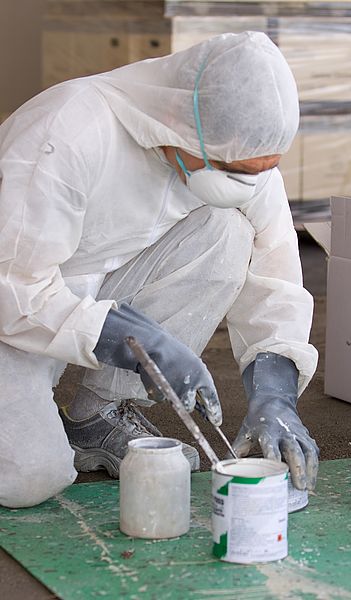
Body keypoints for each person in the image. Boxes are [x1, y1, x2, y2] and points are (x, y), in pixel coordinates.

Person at [0, 31, 319, 509]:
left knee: (228, 230)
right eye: (231, 168)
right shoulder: (68, 131)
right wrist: (132, 338)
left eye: (260, 170)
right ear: (182, 123)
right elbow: (13, 286)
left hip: (94, 286)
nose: (245, 184)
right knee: (29, 479)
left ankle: (97, 413)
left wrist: (275, 391)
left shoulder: (239, 151)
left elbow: (275, 267)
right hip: (18, 304)